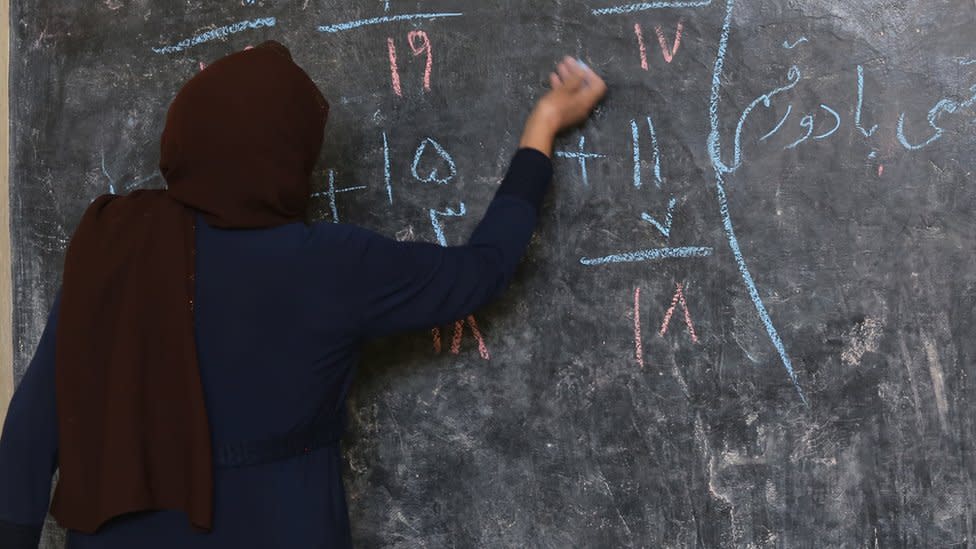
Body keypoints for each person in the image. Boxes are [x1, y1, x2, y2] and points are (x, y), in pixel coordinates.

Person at [0, 41, 606, 548]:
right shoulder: (330, 264)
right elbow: (482, 272)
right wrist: (541, 129)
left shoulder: (117, 241)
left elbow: (32, 427)